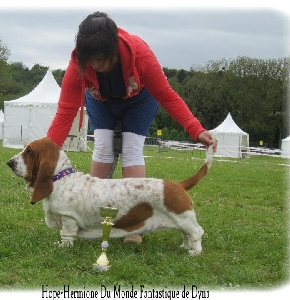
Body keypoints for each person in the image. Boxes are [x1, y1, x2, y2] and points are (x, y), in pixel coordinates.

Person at [47, 11, 217, 244]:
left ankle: (133, 227)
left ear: (114, 47)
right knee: (103, 147)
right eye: (90, 59)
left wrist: (195, 129)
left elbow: (167, 96)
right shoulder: (78, 64)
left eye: (101, 58)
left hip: (140, 100)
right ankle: (90, 217)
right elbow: (66, 110)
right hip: (100, 101)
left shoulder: (142, 55)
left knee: (132, 149)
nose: (95, 64)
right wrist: (46, 150)